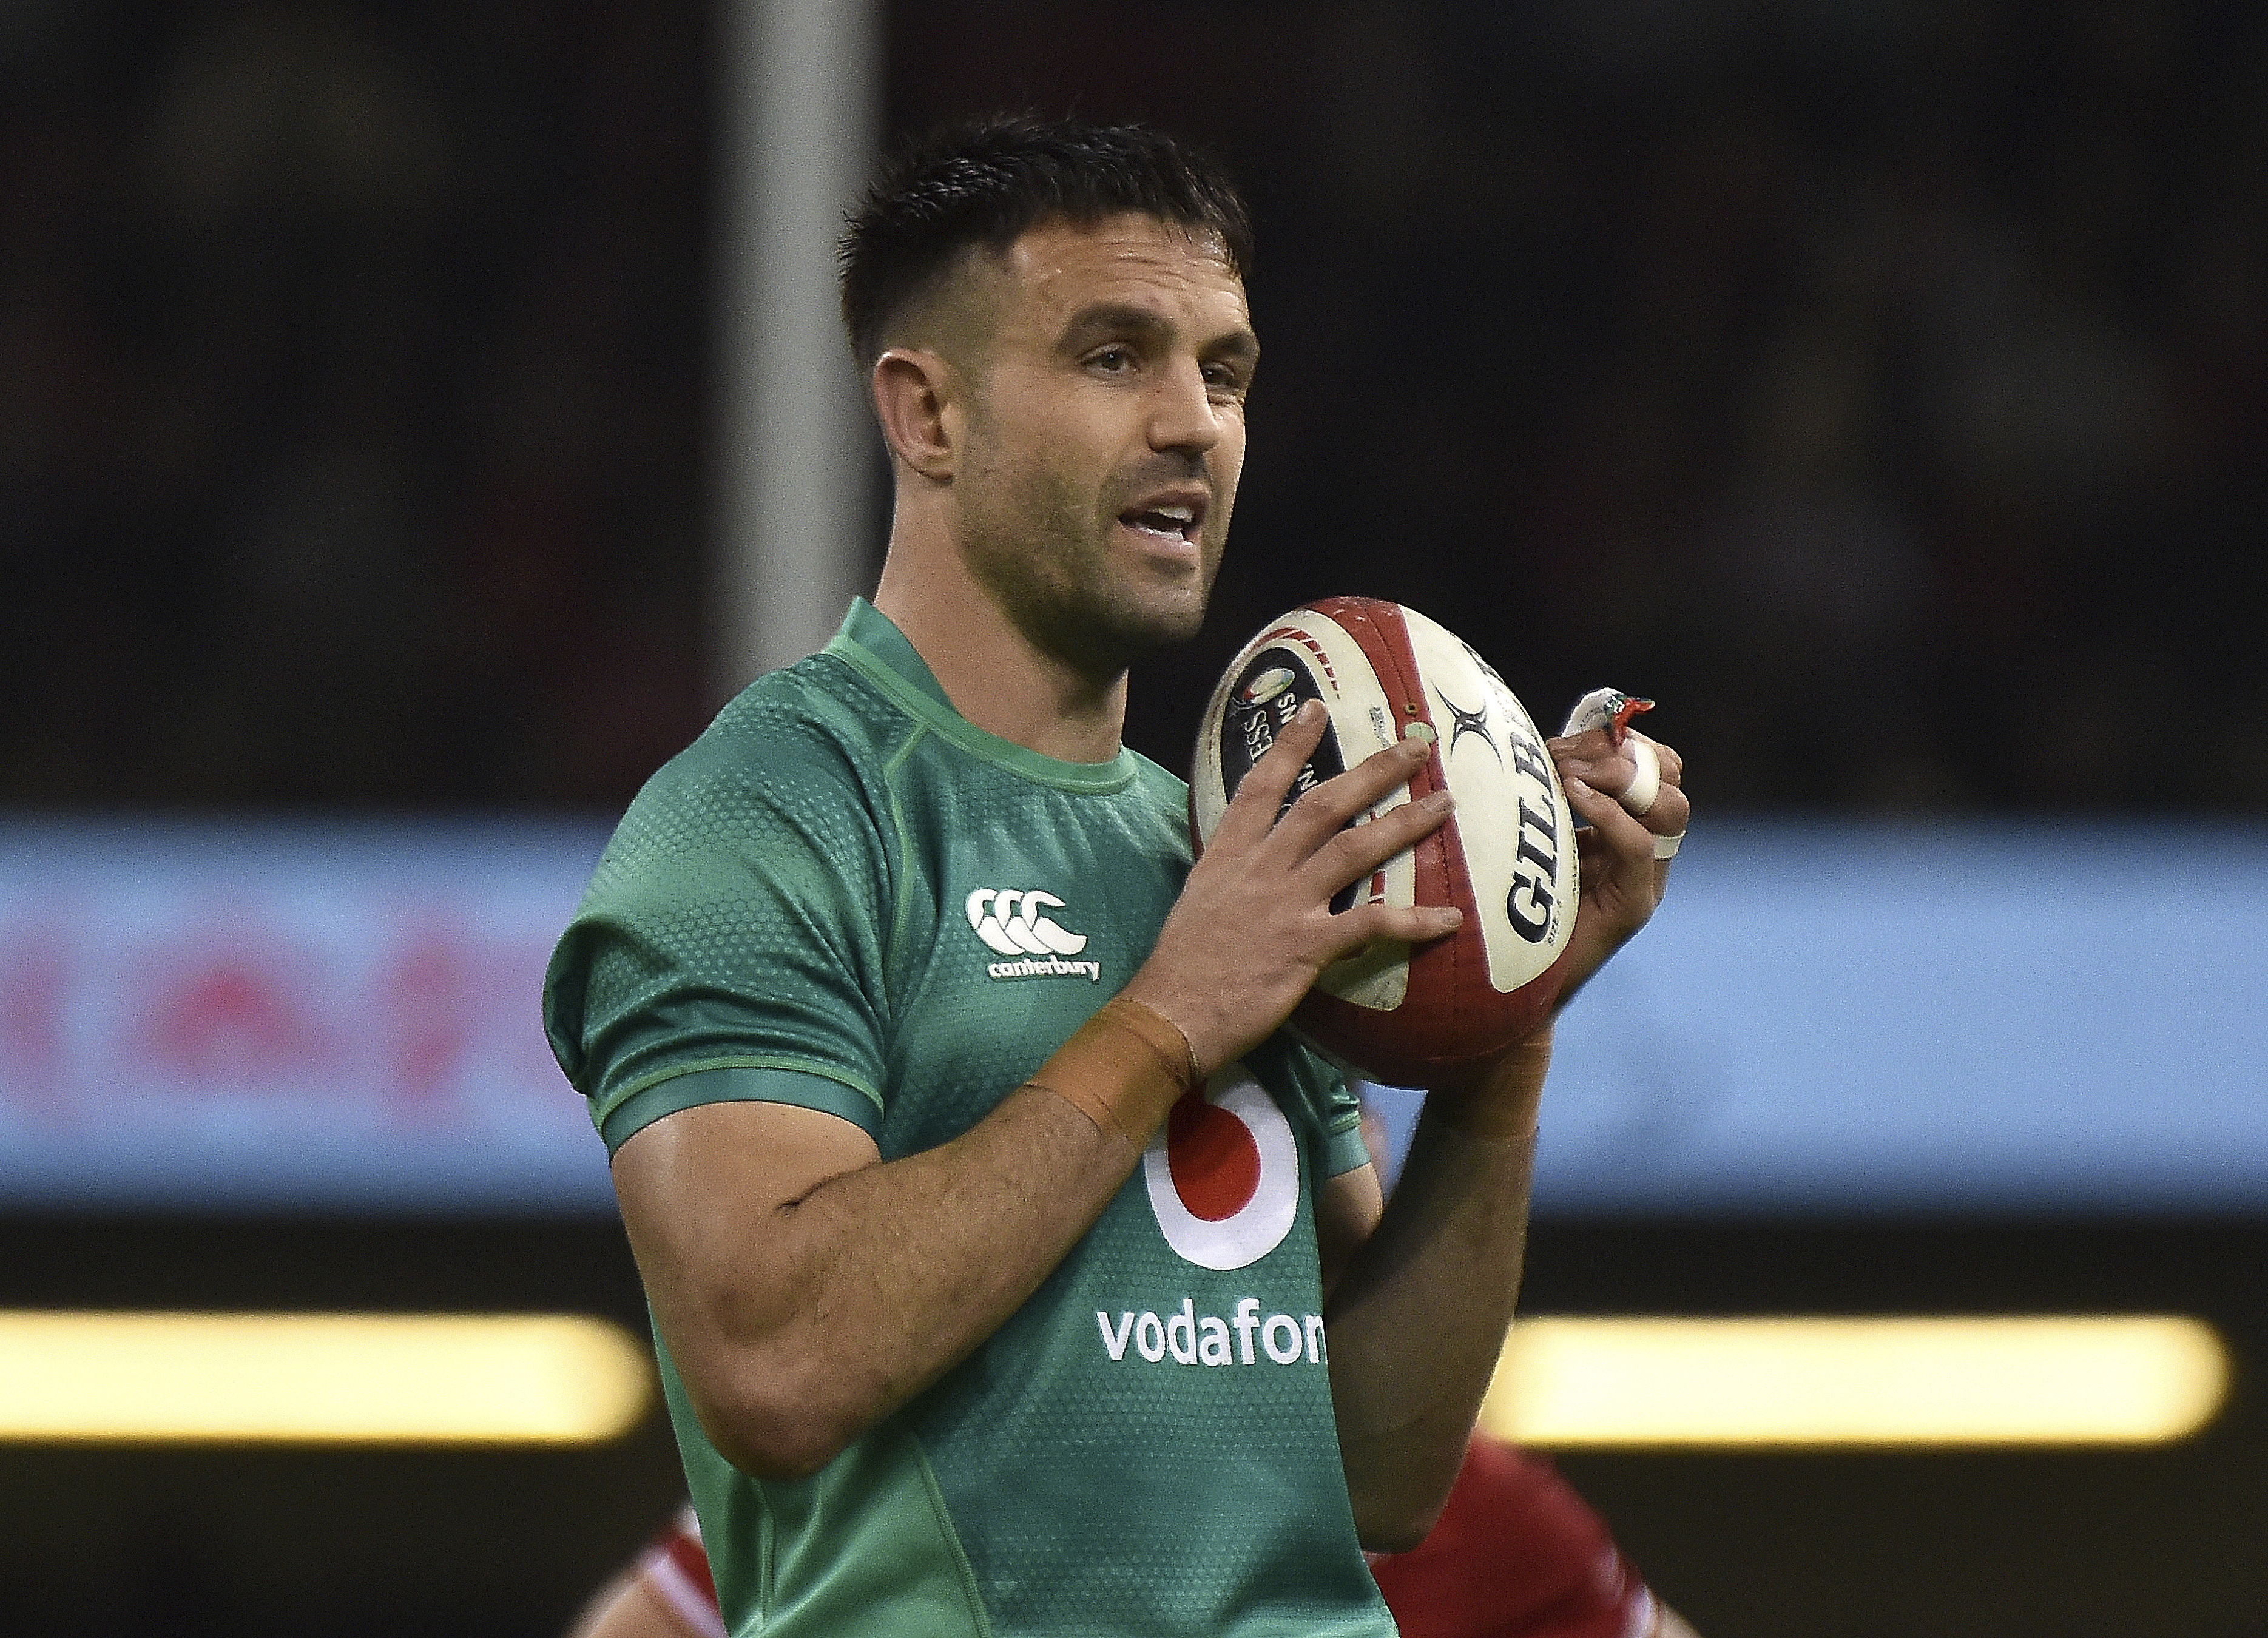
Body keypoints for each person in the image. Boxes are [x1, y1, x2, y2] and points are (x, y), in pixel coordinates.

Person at [543, 113, 1689, 1637]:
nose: (1193, 423)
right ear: (927, 415)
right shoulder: (768, 814)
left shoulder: (1235, 846)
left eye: (1223, 371)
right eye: (1113, 356)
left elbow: (1379, 1473)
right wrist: (1167, 1018)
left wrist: (1508, 1008)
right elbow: (774, 1364)